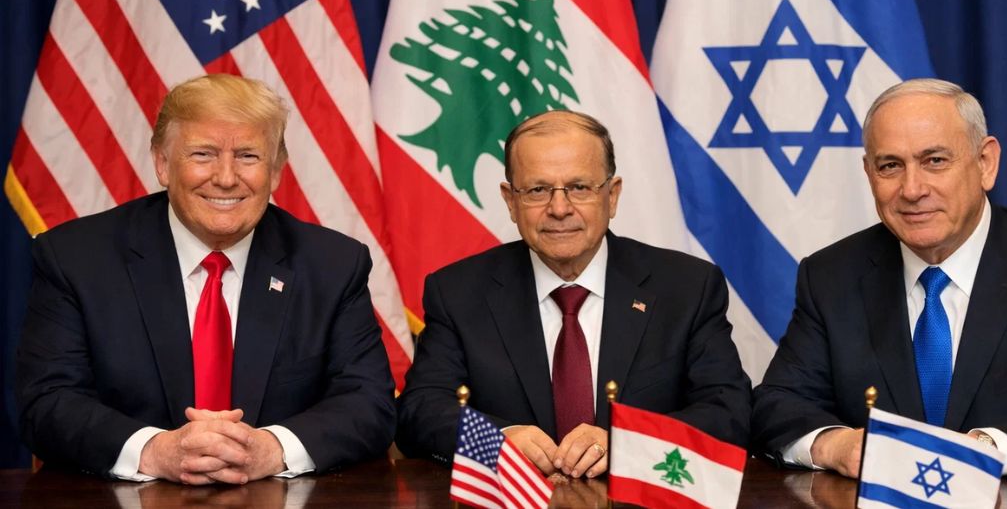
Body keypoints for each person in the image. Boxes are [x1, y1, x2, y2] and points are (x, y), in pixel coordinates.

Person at [751, 78, 1007, 479]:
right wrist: (837, 446)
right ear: (869, 173)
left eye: (935, 161)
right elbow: (777, 404)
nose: (912, 189)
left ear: (985, 163)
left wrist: (985, 451)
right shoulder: (832, 276)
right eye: (890, 166)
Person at [16, 74, 395, 484]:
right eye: (203, 154)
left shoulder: (332, 265)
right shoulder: (77, 259)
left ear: (276, 171)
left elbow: (369, 403)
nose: (226, 178)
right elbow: (46, 402)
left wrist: (273, 449)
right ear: (163, 164)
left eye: (248, 156)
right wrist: (154, 451)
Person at [395, 111, 750, 479]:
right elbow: (419, 410)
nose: (560, 209)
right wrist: (493, 441)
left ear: (612, 196)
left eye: (579, 187)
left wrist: (629, 445)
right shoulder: (458, 292)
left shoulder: (686, 287)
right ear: (511, 201)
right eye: (537, 190)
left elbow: (728, 411)